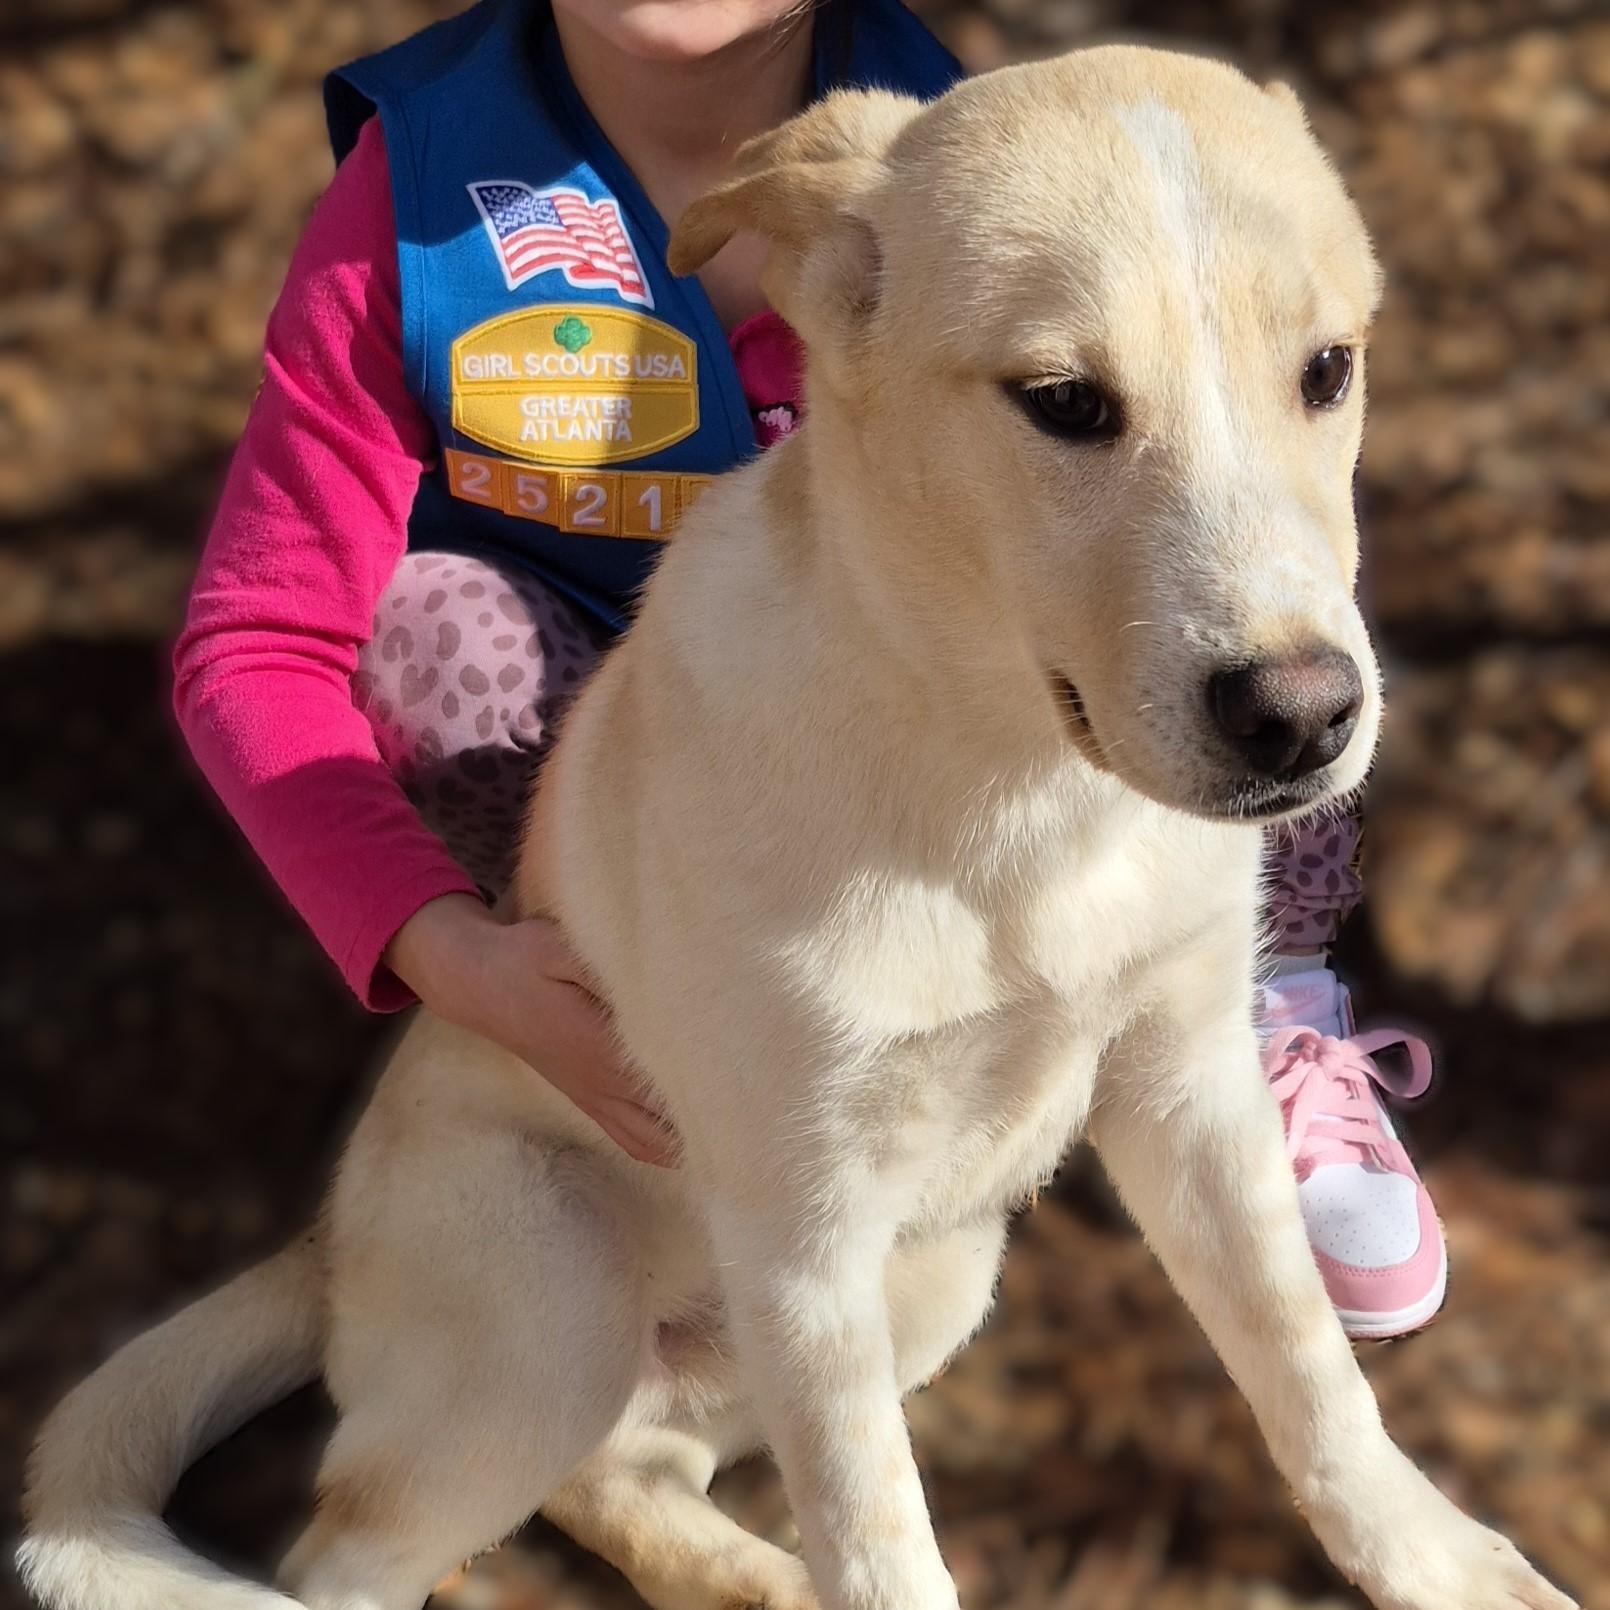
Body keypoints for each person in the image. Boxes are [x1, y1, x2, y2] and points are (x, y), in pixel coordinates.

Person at [174, 0, 1444, 1339]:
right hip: (598, 761)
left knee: (1221, 563)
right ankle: (614, 1031)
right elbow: (257, 642)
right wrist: (443, 948)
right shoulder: (420, 184)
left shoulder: (1000, 163)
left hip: (904, 708)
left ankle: (1241, 1001)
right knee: (436, 623)